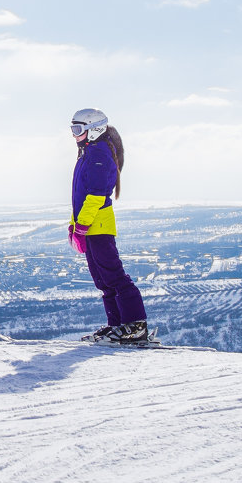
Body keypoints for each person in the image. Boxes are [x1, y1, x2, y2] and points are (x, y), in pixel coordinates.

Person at [68, 107, 149, 342]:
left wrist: (81, 225)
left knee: (114, 276)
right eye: (72, 129)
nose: (74, 135)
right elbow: (80, 196)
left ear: (94, 129)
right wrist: (74, 225)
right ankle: (117, 325)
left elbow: (96, 196)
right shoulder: (88, 154)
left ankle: (135, 325)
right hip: (90, 225)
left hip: (99, 226)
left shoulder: (98, 155)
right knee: (102, 280)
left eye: (78, 129)